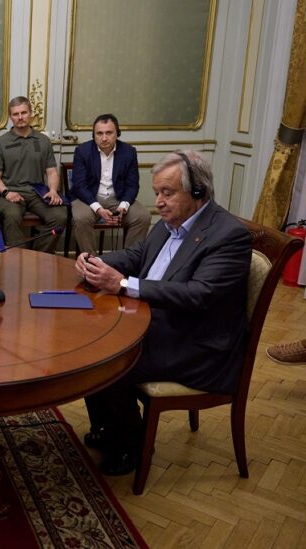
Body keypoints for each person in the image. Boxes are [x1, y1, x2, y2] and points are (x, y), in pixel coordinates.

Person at [75, 150, 251, 476]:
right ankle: (109, 428)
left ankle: (132, 446)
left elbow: (199, 295)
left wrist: (124, 285)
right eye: (157, 193)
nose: (159, 202)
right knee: (91, 337)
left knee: (106, 359)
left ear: (198, 191)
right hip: (162, 324)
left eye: (167, 193)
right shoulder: (170, 223)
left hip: (200, 347)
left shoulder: (228, 235)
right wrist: (97, 263)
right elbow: (136, 255)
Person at [0, 96, 67, 253]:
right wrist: (6, 192)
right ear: (10, 117)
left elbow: (51, 171)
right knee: (12, 216)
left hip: (37, 192)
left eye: (24, 113)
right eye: (15, 114)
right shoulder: (1, 142)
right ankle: (17, 258)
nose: (20, 117)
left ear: (31, 113)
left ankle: (38, 256)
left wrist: (53, 190)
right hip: (11, 192)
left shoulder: (43, 140)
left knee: (60, 216)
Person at [70, 114, 150, 254]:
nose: (104, 138)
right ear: (93, 135)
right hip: (88, 198)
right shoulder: (82, 151)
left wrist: (123, 206)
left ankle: (129, 261)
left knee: (143, 217)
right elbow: (79, 186)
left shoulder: (129, 152)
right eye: (99, 133)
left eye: (109, 133)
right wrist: (98, 208)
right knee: (81, 218)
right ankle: (92, 263)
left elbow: (132, 185)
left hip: (117, 198)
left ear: (117, 133)